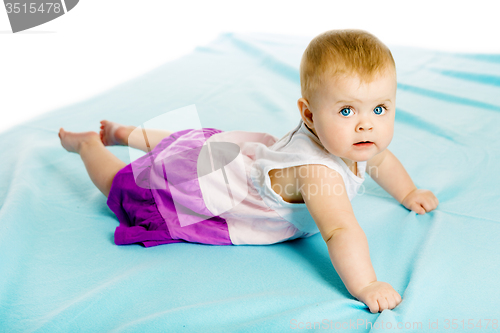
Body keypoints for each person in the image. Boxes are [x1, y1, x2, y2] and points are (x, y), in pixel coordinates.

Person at [58, 29, 439, 313]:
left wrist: (408, 193)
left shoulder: (356, 142)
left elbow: (382, 161)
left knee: (193, 142)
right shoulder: (318, 174)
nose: (366, 125)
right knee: (123, 186)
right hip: (211, 190)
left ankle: (129, 133)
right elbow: (340, 230)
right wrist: (367, 283)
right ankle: (89, 146)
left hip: (237, 158)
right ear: (308, 113)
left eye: (379, 109)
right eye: (346, 111)